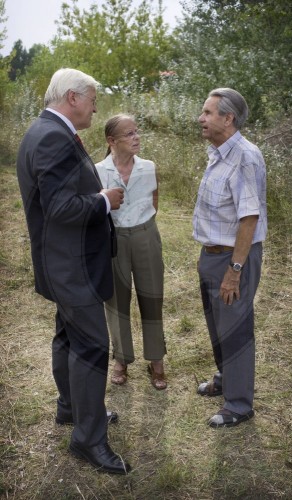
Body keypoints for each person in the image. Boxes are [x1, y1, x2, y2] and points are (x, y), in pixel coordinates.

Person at [16, 68, 131, 474]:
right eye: (92, 98)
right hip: (71, 266)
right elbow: (61, 208)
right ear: (72, 98)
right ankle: (88, 438)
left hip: (60, 262)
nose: (96, 106)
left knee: (67, 338)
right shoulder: (52, 137)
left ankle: (72, 409)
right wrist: (104, 199)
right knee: (92, 346)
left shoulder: (40, 130)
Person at [193, 88, 267, 428]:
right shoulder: (218, 152)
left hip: (234, 258)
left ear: (228, 118)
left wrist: (235, 270)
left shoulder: (245, 157)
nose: (201, 118)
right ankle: (226, 379)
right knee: (217, 323)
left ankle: (238, 404)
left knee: (235, 327)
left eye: (208, 113)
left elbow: (248, 218)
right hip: (211, 253)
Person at [96, 114, 167, 390]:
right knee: (116, 300)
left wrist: (143, 227)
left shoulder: (148, 167)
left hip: (146, 235)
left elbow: (155, 198)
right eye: (129, 134)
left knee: (152, 296)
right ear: (111, 141)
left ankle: (157, 359)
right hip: (113, 239)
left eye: (137, 132)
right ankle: (121, 359)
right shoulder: (97, 170)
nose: (136, 137)